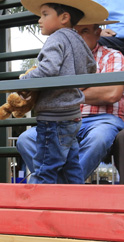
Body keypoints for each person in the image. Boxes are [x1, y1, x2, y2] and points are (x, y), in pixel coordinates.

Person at [17, 22, 124, 182]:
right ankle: (68, 187)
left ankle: (61, 188)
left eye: (85, 31)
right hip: (64, 119)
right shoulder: (62, 57)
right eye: (75, 32)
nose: (78, 36)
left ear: (98, 33)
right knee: (25, 140)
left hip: (102, 120)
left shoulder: (113, 55)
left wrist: (65, 92)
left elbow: (111, 93)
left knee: (98, 138)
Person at [18, 0, 98, 184]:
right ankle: (77, 206)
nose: (39, 20)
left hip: (53, 116)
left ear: (64, 18)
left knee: (44, 167)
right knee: (71, 167)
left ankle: (38, 208)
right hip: (72, 115)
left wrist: (25, 81)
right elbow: (91, 67)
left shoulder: (55, 38)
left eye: (45, 14)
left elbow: (48, 70)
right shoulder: (78, 39)